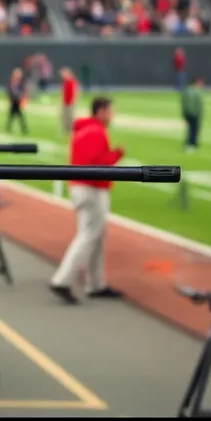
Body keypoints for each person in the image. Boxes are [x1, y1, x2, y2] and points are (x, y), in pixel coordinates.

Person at [49, 97, 125, 305]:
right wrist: (116, 155)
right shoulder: (96, 132)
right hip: (90, 188)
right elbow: (95, 164)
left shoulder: (84, 129)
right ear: (100, 111)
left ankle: (96, 283)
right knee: (89, 235)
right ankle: (62, 280)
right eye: (110, 111)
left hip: (82, 187)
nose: (112, 115)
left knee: (96, 235)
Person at [180, 77, 204, 152]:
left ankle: (191, 141)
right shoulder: (195, 91)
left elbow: (183, 102)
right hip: (194, 113)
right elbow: (197, 104)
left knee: (191, 128)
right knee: (194, 128)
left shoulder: (187, 90)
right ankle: (192, 142)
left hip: (188, 112)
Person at [7, 67, 28, 134]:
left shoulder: (21, 82)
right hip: (13, 101)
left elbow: (23, 91)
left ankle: (23, 128)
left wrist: (22, 98)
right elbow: (9, 90)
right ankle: (9, 127)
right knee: (12, 116)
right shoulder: (12, 81)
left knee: (18, 116)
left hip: (18, 101)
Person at [59, 66, 78, 136]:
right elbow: (63, 93)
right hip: (65, 102)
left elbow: (74, 92)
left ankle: (71, 131)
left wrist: (73, 101)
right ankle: (66, 131)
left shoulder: (72, 81)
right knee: (64, 117)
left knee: (70, 117)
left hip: (70, 102)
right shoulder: (65, 82)